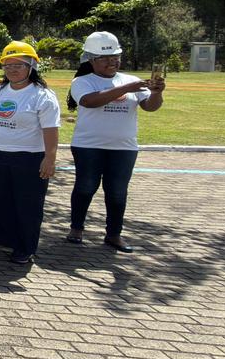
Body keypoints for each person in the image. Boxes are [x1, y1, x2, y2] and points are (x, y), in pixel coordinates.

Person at [0, 41, 60, 265]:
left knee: (25, 204)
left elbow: (51, 130)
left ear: (31, 66)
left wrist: (49, 158)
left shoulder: (42, 96)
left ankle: (23, 247)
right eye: (7, 65)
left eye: (19, 65)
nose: (12, 69)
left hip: (27, 158)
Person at [66, 31, 165, 252]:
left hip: (123, 147)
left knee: (117, 192)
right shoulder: (82, 81)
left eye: (116, 57)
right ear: (91, 60)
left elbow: (149, 106)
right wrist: (127, 88)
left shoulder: (130, 80)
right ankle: (76, 228)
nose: (112, 62)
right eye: (105, 58)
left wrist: (156, 93)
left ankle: (113, 234)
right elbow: (90, 101)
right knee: (85, 187)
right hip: (88, 145)